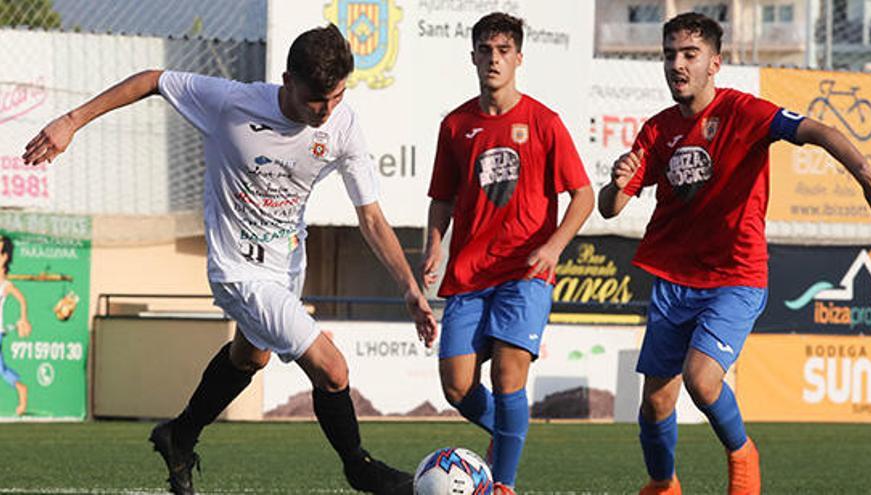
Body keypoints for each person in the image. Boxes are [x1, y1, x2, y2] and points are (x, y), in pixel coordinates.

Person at [22, 25, 437, 495]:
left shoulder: (343, 126)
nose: (326, 111)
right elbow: (153, 79)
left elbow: (373, 218)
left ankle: (180, 436)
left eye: (337, 97)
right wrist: (72, 121)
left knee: (250, 356)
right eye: (316, 100)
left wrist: (407, 286)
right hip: (237, 270)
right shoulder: (230, 102)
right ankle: (358, 465)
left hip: (286, 266)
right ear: (287, 81)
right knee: (333, 369)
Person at [597, 12, 871, 495]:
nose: (677, 65)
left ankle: (742, 453)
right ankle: (663, 483)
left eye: (689, 54)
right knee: (655, 406)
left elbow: (816, 130)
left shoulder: (743, 112)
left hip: (735, 276)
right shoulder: (657, 129)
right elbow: (609, 209)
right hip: (673, 279)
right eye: (670, 55)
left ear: (714, 63)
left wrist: (862, 168)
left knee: (702, 380)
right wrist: (616, 182)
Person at [421, 12, 594, 495]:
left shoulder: (544, 122)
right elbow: (443, 197)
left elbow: (583, 195)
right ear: (473, 56)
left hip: (525, 272)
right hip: (469, 273)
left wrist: (554, 246)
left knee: (506, 373)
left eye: (503, 51)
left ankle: (505, 484)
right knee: (456, 386)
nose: (493, 59)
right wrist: (434, 244)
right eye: (485, 50)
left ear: (518, 58)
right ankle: (511, 432)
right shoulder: (456, 125)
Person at [0, 236, 31, 416]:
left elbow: (21, 300)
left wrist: (23, 319)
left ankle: (20, 388)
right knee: (1, 368)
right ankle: (20, 387)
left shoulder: (5, 285)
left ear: (4, 258)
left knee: (1, 369)